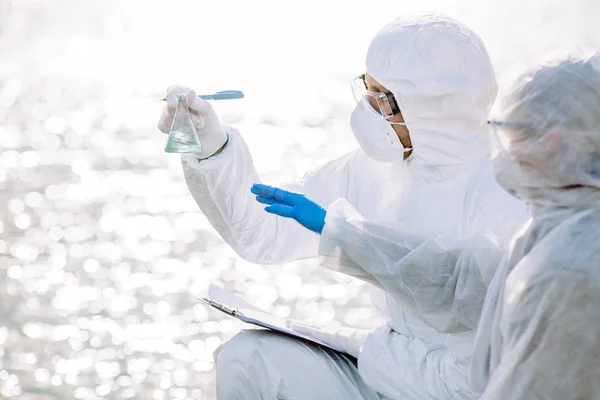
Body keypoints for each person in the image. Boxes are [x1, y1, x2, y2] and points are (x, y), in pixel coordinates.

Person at [157, 13, 528, 399]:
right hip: (388, 370)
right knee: (248, 359)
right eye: (366, 90)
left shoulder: (507, 190)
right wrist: (210, 146)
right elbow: (261, 234)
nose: (368, 110)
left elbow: (462, 298)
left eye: (382, 99)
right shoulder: (378, 168)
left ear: (433, 110)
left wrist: (346, 237)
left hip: (465, 388)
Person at [469, 51, 600, 399]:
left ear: (550, 141)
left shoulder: (568, 269)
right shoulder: (563, 221)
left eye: (513, 136)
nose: (506, 153)